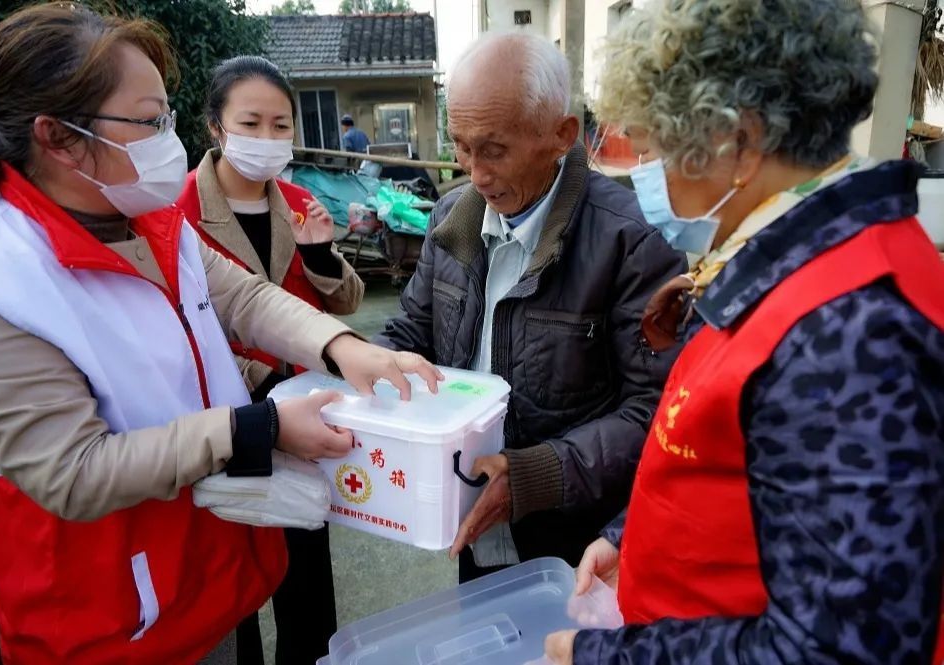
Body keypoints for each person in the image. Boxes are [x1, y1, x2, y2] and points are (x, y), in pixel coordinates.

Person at [0, 4, 439, 664]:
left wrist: (345, 347)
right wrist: (255, 428)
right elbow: (72, 470)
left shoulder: (145, 223)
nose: (165, 141)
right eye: (146, 123)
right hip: (108, 620)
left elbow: (246, 299)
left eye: (166, 118)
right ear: (57, 137)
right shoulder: (7, 277)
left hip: (202, 569)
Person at [543, 0, 944, 663]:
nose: (648, 172)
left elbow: (841, 647)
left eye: (657, 147)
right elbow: (746, 455)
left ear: (736, 141)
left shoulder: (849, 330)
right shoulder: (788, 259)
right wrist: (629, 532)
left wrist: (594, 655)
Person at [374, 32, 685, 582]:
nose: (475, 173)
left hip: (579, 541)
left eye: (494, 149)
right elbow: (411, 332)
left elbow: (657, 411)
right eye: (461, 147)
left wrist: (532, 477)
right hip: (470, 518)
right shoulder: (454, 217)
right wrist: (356, 370)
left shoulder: (631, 238)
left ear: (562, 134)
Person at [176, 55, 361, 665]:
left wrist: (323, 255)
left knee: (307, 551)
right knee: (235, 563)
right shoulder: (175, 212)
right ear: (214, 128)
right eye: (251, 123)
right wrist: (262, 378)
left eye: (281, 125)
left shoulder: (300, 201)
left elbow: (348, 299)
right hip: (229, 416)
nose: (267, 139)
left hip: (307, 406)